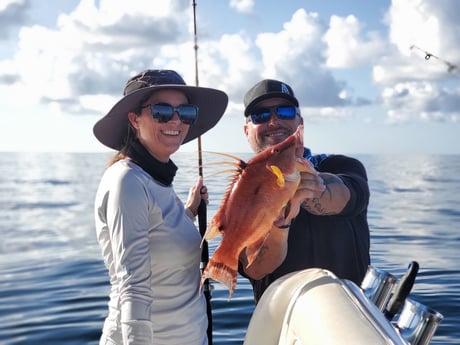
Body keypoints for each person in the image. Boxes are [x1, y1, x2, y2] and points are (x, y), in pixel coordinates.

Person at [93, 69, 228, 344]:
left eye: (185, 112)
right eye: (161, 111)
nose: (176, 120)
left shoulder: (156, 181)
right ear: (134, 119)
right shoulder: (127, 180)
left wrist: (188, 212)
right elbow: (134, 288)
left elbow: (158, 238)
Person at [238, 79, 370, 303]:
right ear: (247, 130)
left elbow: (342, 196)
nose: (274, 121)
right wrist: (280, 223)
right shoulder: (243, 192)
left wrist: (309, 184)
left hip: (350, 317)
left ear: (300, 121)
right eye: (261, 115)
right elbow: (254, 269)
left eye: (285, 111)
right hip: (282, 326)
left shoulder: (342, 166)